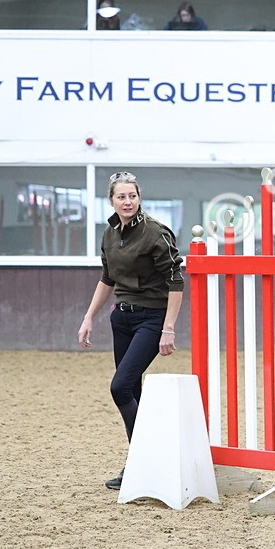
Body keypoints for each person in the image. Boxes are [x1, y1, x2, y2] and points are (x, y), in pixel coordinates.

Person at [77, 172, 184, 489]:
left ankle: (143, 461)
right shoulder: (109, 234)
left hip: (151, 319)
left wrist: (169, 329)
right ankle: (138, 468)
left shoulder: (155, 233)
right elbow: (107, 278)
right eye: (121, 197)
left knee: (119, 387)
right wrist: (88, 317)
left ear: (140, 198)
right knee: (132, 391)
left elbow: (176, 281)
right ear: (112, 200)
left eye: (132, 196)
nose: (127, 201)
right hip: (121, 319)